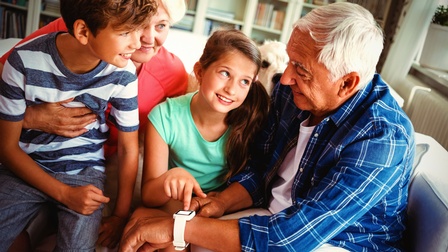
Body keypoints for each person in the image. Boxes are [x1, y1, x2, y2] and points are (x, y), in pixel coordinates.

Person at [119, 2, 416, 252]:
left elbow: (294, 236)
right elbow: (260, 169)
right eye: (290, 61)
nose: (284, 78)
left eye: (300, 69)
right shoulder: (293, 93)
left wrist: (177, 227)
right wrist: (219, 202)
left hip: (334, 243)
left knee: (177, 234)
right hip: (275, 217)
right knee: (164, 239)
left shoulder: (382, 137)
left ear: (347, 82)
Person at [1, 0, 190, 249]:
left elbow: (132, 147)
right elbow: (7, 140)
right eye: (134, 27)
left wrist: (120, 216)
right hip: (29, 161)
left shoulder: (140, 73)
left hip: (86, 167)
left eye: (161, 26)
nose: (142, 39)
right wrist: (29, 118)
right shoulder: (81, 22)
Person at [128, 28, 270, 251]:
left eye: (244, 81)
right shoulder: (164, 116)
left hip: (220, 207)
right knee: (139, 219)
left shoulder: (251, 121)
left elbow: (252, 183)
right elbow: (148, 196)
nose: (232, 89)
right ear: (200, 71)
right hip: (176, 203)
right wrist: (170, 178)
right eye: (225, 73)